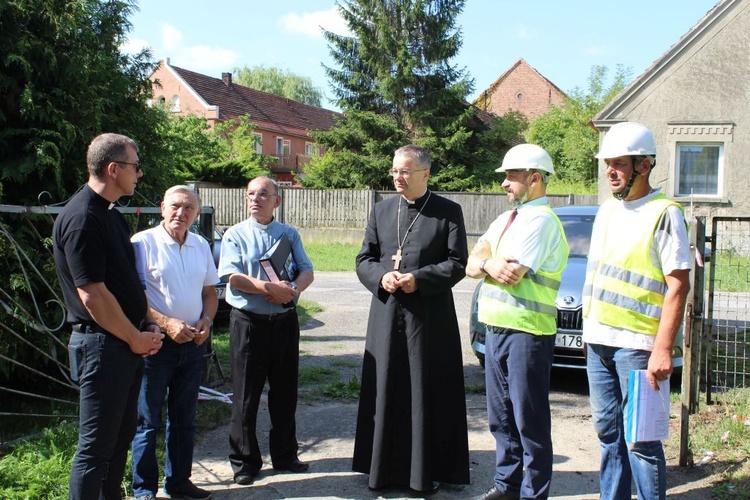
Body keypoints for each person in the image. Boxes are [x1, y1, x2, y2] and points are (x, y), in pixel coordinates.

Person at [352, 145, 470, 493]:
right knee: (387, 385)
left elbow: (457, 263)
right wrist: (380, 277)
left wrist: (420, 279)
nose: (397, 178)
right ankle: (382, 470)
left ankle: (425, 472)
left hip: (429, 316)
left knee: (424, 388)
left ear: (425, 174)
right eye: (394, 171)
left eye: (404, 171)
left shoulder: (448, 212)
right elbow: (364, 258)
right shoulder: (381, 210)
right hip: (386, 314)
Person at [582, 122, 691, 500]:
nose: (610, 171)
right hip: (599, 343)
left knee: (641, 442)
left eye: (619, 164)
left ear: (643, 166)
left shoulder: (664, 213)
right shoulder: (607, 211)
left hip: (638, 348)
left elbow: (678, 284)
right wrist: (588, 335)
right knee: (608, 436)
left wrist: (663, 348)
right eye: (606, 163)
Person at [53, 133, 164, 500]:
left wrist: (145, 323)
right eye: (135, 166)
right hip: (103, 347)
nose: (140, 174)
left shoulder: (110, 215)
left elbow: (122, 283)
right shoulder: (83, 217)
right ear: (113, 168)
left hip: (123, 345)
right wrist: (134, 337)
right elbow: (93, 296)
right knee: (95, 450)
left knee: (118, 442)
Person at [468, 144, 569, 500]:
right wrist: (487, 264)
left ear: (536, 178)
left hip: (528, 332)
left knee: (530, 421)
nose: (504, 184)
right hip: (495, 331)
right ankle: (506, 486)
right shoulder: (507, 219)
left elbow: (513, 273)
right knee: (501, 418)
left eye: (512, 176)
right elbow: (471, 263)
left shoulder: (541, 221)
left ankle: (532, 494)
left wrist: (489, 263)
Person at [218, 176, 314, 486]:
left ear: (277, 200)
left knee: (285, 393)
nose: (255, 199)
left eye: (263, 194)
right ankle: (245, 462)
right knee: (246, 396)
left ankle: (285, 454)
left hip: (284, 324)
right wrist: (267, 288)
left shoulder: (289, 234)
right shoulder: (235, 234)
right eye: (250, 194)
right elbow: (232, 277)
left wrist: (292, 290)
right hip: (249, 324)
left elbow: (307, 270)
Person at [130, 186, 219, 500]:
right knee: (147, 421)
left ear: (196, 214)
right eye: (175, 206)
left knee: (184, 419)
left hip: (193, 346)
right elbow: (133, 297)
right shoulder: (142, 243)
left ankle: (179, 483)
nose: (181, 213)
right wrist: (167, 324)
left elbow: (210, 293)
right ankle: (143, 490)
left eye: (189, 208)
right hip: (155, 346)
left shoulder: (200, 245)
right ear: (162, 207)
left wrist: (206, 320)